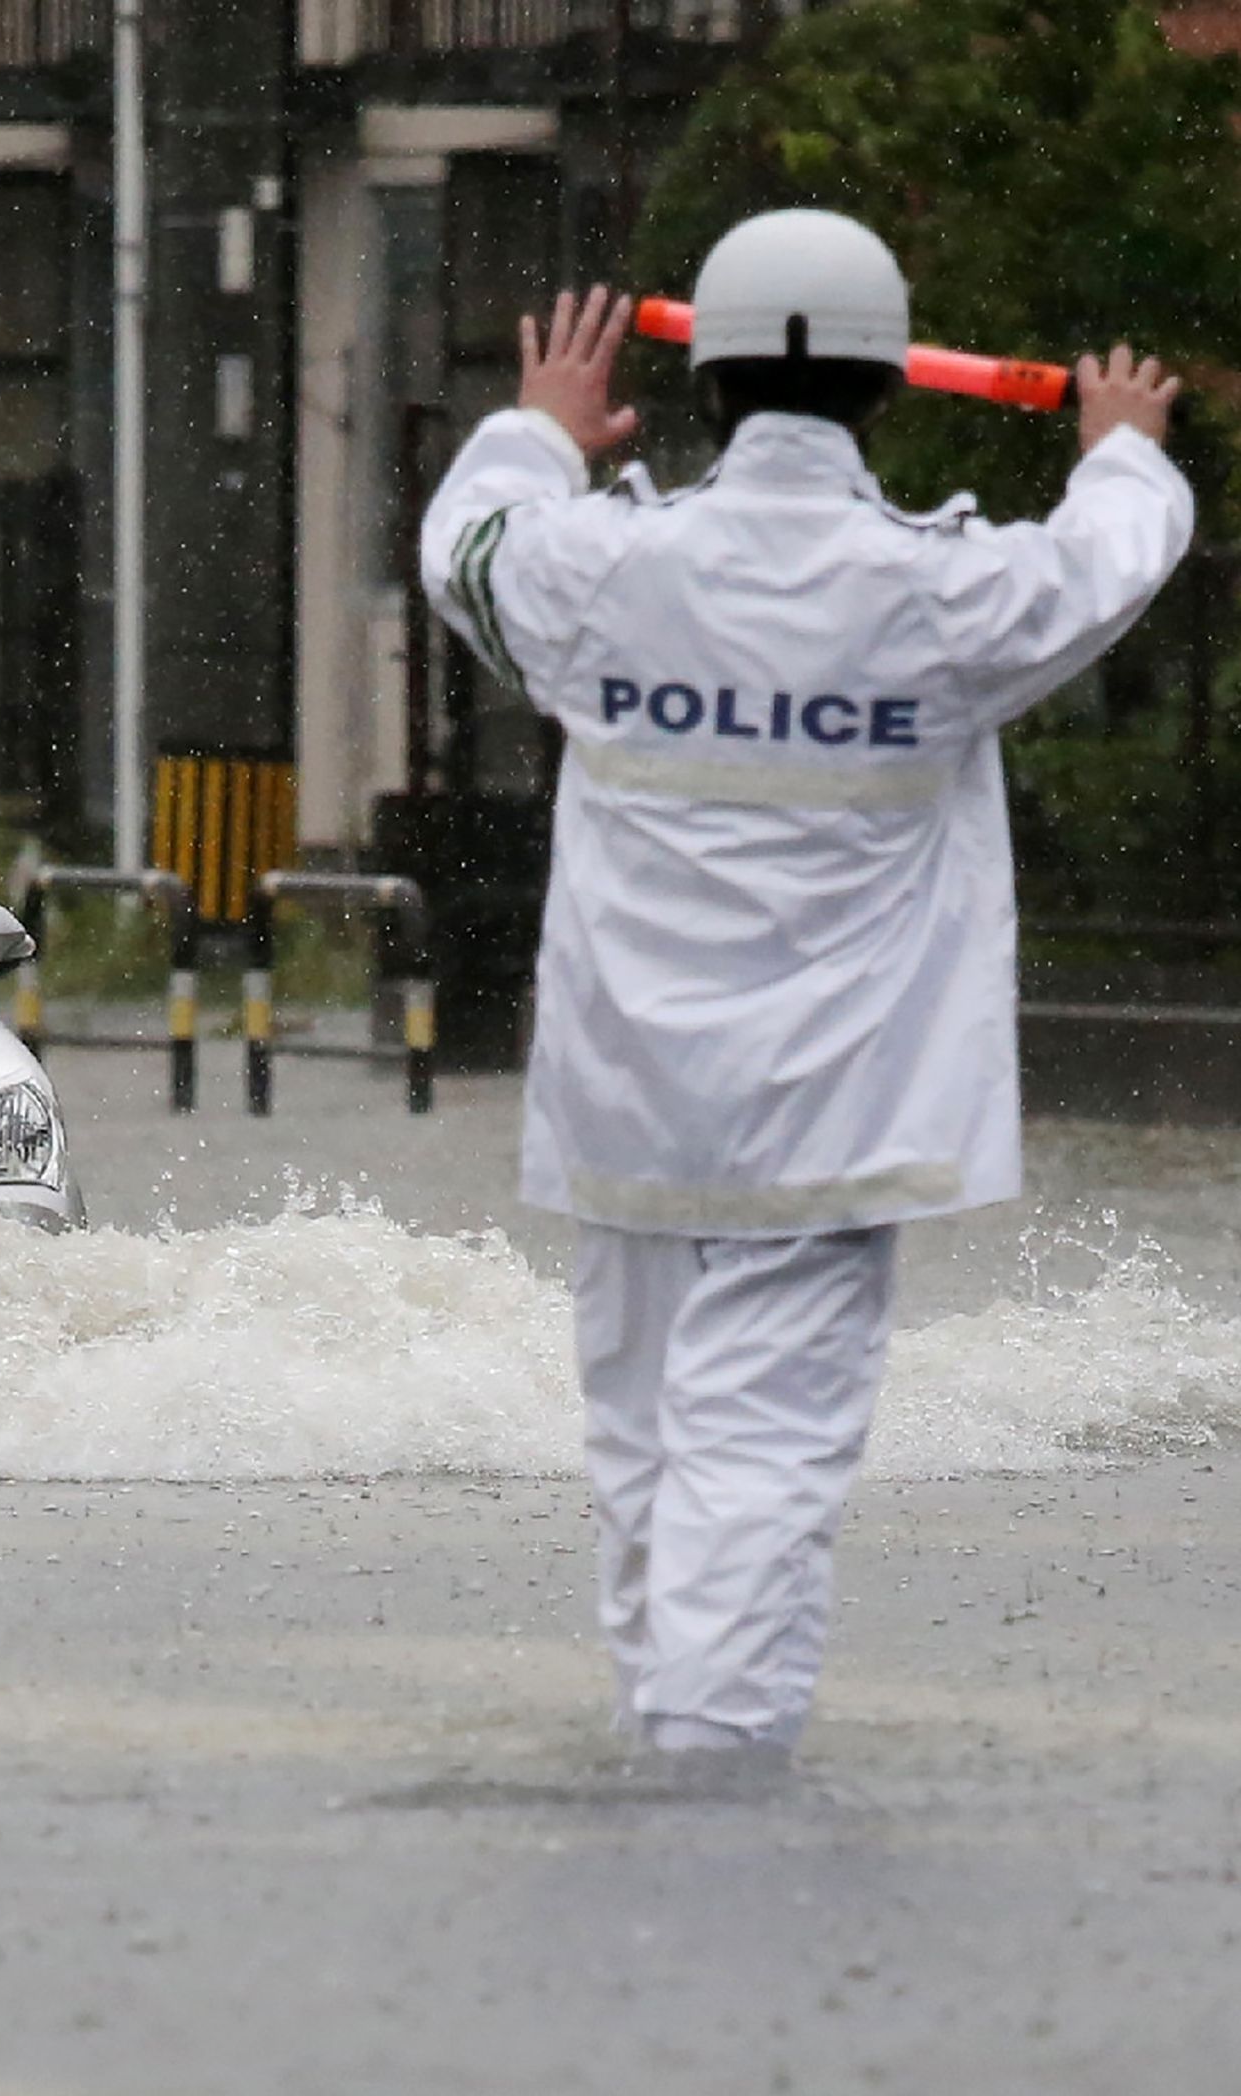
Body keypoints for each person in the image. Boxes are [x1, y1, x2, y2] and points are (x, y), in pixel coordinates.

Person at [419, 211, 1192, 1769]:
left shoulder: (597, 572)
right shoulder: (942, 598)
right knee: (759, 1461)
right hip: (831, 1116)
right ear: (890, 385)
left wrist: (537, 429)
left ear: (701, 382)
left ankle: (660, 1732)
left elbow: (467, 549)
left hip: (631, 1105)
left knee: (641, 1449)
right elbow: (1109, 564)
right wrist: (1118, 444)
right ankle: (711, 1780)